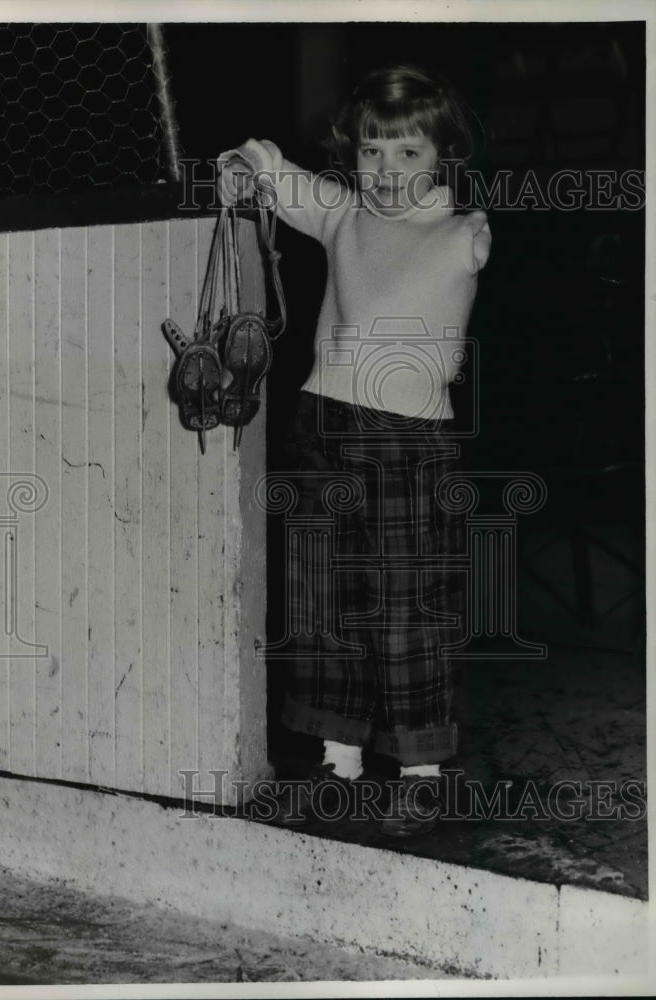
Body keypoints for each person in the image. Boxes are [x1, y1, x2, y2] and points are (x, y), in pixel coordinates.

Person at [218, 63, 491, 836]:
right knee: (323, 599)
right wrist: (249, 166)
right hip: (323, 423)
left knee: (406, 608)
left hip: (408, 441)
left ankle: (421, 769)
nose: (388, 171)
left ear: (443, 155)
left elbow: (458, 241)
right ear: (355, 153)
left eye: (408, 154)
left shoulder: (460, 231)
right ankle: (338, 763)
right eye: (373, 152)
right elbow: (279, 175)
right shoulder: (342, 214)